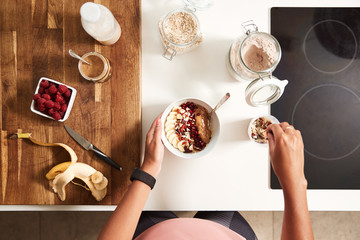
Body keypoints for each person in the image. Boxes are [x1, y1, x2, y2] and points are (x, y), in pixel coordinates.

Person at [98, 116, 314, 240]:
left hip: (154, 232)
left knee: (151, 207)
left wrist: (149, 169)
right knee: (223, 198)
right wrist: (294, 180)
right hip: (224, 233)